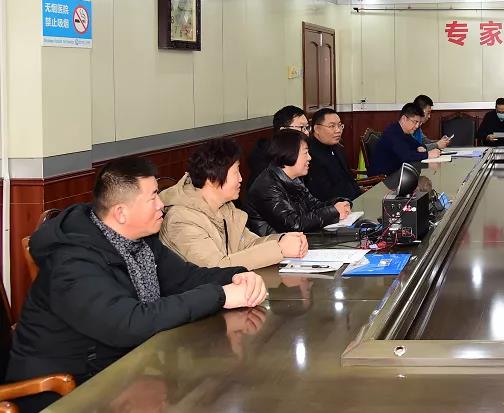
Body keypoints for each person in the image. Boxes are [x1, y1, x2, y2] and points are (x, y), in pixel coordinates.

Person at [6, 157, 266, 411]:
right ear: (121, 213)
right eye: (153, 197)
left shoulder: (140, 241)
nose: (161, 204)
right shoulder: (73, 262)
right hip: (63, 390)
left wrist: (238, 276)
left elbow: (187, 278)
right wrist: (220, 295)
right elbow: (129, 323)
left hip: (123, 369)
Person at [160, 138, 308, 270]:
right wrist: (279, 249)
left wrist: (282, 240)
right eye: (236, 172)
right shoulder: (182, 219)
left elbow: (248, 244)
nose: (241, 179)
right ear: (212, 178)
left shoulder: (225, 207)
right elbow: (216, 267)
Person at [245, 129, 351, 235]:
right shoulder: (266, 187)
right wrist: (333, 211)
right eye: (305, 153)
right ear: (290, 153)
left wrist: (338, 203)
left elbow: (314, 206)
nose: (309, 158)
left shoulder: (294, 179)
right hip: (275, 243)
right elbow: (294, 225)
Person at [303, 108, 362, 202]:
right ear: (316, 129)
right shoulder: (309, 155)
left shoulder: (338, 147)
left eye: (340, 125)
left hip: (354, 201)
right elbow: (322, 194)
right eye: (332, 126)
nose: (338, 130)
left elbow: (349, 179)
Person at [370, 102, 442, 176]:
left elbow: (417, 145)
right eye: (415, 122)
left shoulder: (405, 132)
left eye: (419, 122)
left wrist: (421, 148)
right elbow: (406, 156)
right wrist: (428, 154)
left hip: (397, 173)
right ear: (404, 118)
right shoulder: (393, 133)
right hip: (384, 178)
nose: (417, 126)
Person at [247, 106, 308, 184]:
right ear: (283, 130)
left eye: (307, 127)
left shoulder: (300, 152)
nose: (306, 132)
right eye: (302, 127)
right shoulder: (266, 161)